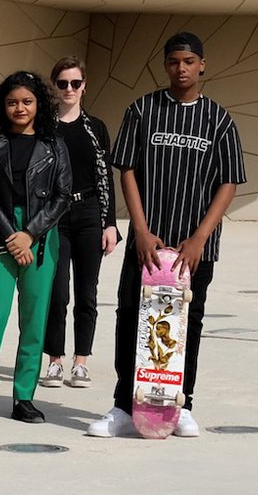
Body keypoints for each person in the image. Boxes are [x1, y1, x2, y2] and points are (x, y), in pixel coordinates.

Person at [87, 32, 245, 440]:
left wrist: (199, 239)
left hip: (195, 247)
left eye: (189, 61)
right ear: (166, 65)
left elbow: (228, 183)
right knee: (131, 319)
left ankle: (182, 404)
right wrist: (139, 230)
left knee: (187, 321)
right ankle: (124, 406)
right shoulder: (143, 110)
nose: (182, 68)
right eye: (174, 61)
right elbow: (127, 170)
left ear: (202, 65)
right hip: (149, 243)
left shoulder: (219, 120)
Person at [0, 72, 71, 425]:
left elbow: (63, 195)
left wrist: (31, 234)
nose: (19, 108)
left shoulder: (54, 144)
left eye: (26, 101)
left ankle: (24, 398)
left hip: (40, 237)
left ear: (39, 104)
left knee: (34, 319)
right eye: (12, 102)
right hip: (1, 233)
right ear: (2, 106)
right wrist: (12, 235)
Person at [40, 57, 118, 390]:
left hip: (88, 212)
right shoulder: (44, 126)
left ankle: (81, 361)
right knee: (57, 293)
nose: (69, 89)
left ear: (84, 85)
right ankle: (54, 360)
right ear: (54, 87)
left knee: (87, 292)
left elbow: (106, 179)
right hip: (55, 215)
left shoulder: (96, 127)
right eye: (62, 83)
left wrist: (110, 223)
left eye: (75, 83)